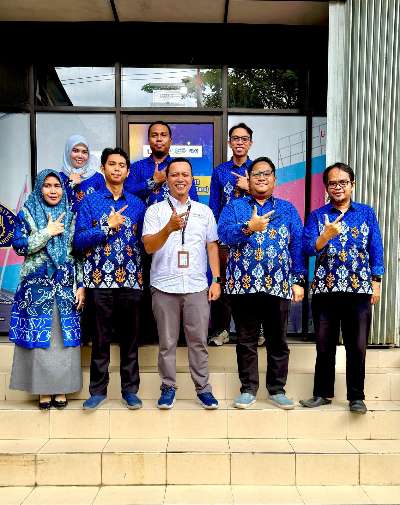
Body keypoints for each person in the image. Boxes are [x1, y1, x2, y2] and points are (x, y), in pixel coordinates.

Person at [218, 157, 305, 410]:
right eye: (257, 174)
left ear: (275, 179)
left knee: (278, 340)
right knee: (246, 340)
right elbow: (223, 235)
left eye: (267, 174)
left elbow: (297, 245)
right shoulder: (234, 207)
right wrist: (249, 227)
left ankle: (277, 389)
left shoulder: (288, 209)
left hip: (278, 284)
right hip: (243, 286)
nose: (262, 178)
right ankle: (248, 389)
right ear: (248, 179)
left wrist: (298, 280)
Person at [300, 162, 384, 415]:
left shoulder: (366, 213)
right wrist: (325, 236)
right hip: (325, 290)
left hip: (358, 290)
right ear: (326, 187)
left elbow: (376, 247)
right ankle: (322, 393)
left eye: (343, 182)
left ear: (352, 185)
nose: (338, 187)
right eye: (332, 183)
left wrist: (376, 281)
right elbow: (307, 248)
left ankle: (356, 397)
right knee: (324, 346)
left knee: (356, 346)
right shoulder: (317, 216)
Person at [142, 157, 221, 409]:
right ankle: (168, 387)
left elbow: (212, 246)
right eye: (174, 174)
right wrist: (168, 228)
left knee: (199, 342)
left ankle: (203, 389)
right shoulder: (155, 211)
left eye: (185, 174)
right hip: (164, 286)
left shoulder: (204, 211)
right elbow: (148, 246)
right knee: (167, 343)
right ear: (166, 179)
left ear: (191, 179)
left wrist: (216, 279)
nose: (180, 179)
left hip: (197, 286)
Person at [74, 147, 145, 410]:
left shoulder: (137, 204)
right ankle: (98, 391)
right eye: (112, 164)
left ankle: (130, 390)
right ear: (103, 168)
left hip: (131, 281)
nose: (117, 168)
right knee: (100, 338)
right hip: (99, 280)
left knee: (131, 339)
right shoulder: (90, 202)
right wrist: (106, 227)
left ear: (128, 171)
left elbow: (145, 243)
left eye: (121, 165)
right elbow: (78, 240)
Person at [9, 169, 85, 410]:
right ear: (39, 188)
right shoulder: (27, 212)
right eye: (47, 185)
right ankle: (42, 390)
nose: (53, 190)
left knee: (62, 339)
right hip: (35, 289)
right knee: (40, 338)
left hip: (65, 287)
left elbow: (77, 254)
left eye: (57, 186)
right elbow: (19, 245)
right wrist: (46, 233)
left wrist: (81, 285)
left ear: (63, 189)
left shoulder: (71, 214)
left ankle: (61, 388)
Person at [208, 123, 255, 347]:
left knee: (252, 283)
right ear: (229, 142)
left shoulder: (257, 168)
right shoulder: (220, 171)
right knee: (223, 282)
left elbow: (268, 197)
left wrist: (249, 186)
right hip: (226, 237)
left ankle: (256, 330)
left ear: (250, 143)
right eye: (236, 138)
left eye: (244, 139)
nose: (240, 142)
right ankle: (222, 330)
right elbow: (214, 205)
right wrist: (215, 235)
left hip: (251, 237)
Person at [125, 121, 198, 205]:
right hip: (144, 213)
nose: (159, 139)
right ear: (148, 140)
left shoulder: (181, 167)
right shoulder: (136, 167)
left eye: (163, 135)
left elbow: (193, 201)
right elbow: (126, 195)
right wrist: (153, 181)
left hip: (176, 213)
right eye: (154, 135)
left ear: (170, 140)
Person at [59, 134, 105, 213]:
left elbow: (103, 206)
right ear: (68, 152)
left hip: (90, 221)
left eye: (84, 152)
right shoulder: (58, 177)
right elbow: (56, 205)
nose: (80, 156)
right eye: (75, 151)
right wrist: (70, 183)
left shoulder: (97, 178)